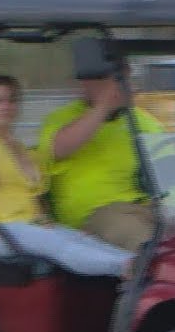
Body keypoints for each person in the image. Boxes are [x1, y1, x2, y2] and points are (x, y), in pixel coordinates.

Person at [0, 75, 133, 278]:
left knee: (81, 238)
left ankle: (144, 263)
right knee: (57, 243)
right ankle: (127, 267)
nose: (6, 106)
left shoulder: (23, 149)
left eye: (12, 100)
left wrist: (45, 219)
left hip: (28, 224)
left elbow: (33, 195)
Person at [37, 61, 163, 253]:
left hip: (147, 208)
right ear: (86, 84)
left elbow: (170, 171)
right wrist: (103, 106)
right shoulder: (62, 119)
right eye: (112, 81)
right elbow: (59, 148)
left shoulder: (146, 123)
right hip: (96, 213)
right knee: (146, 243)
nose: (120, 86)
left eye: (122, 80)